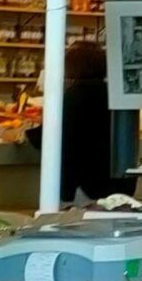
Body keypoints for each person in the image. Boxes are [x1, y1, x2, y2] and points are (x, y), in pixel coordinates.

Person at [33, 43, 117, 203]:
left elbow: (53, 135)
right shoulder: (112, 93)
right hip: (112, 180)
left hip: (84, 183)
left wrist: (22, 134)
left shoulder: (75, 94)